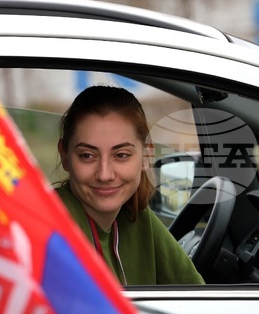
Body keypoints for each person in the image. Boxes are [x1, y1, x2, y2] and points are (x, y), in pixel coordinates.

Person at [56, 85, 203, 285]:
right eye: (87, 156)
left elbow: (194, 291)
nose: (105, 174)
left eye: (121, 155)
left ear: (147, 156)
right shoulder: (49, 225)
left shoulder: (135, 214)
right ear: (65, 156)